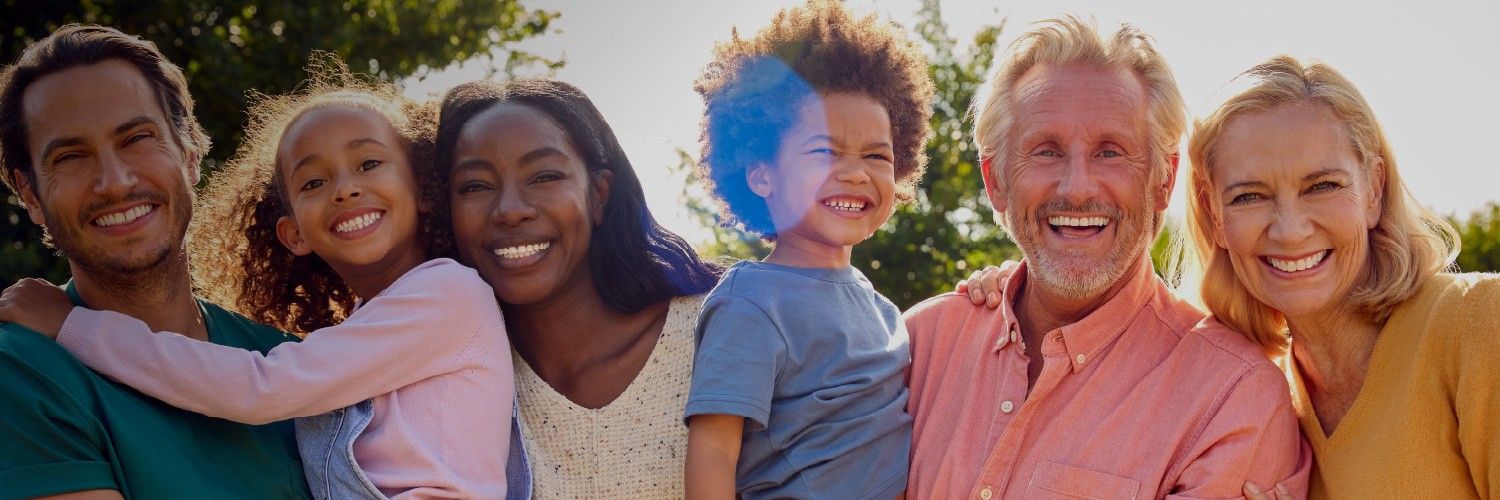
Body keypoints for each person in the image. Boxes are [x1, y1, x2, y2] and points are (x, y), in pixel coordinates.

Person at [0, 61, 517, 498]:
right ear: (292, 233)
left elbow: (259, 388)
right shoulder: (24, 371)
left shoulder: (445, 295)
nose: (344, 189)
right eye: (314, 181)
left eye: (369, 162)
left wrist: (74, 327)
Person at [906, 16, 1310, 498]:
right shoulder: (918, 347)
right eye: (1046, 151)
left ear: (1163, 180)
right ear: (995, 181)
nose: (1077, 188)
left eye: (1111, 152)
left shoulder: (1233, 399)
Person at [0, 24, 311, 499]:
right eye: (70, 156)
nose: (115, 181)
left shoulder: (289, 363)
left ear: (189, 156)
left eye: (137, 138)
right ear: (31, 196)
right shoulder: (21, 372)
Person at [1182, 55, 1498, 499]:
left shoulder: (1478, 322)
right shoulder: (1260, 403)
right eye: (1249, 196)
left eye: (1322, 186)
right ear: (1215, 216)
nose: (1290, 231)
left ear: (1373, 190)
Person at [681, 1, 933, 498]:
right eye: (824, 151)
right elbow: (713, 451)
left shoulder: (880, 309)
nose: (856, 173)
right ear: (761, 173)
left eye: (876, 155)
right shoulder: (750, 302)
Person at [436, 77, 724, 498]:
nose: (510, 210)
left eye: (544, 176)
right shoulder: (448, 381)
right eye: (475, 186)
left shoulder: (719, 331)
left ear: (600, 195)